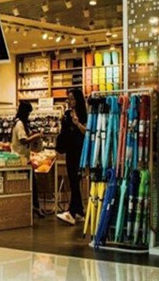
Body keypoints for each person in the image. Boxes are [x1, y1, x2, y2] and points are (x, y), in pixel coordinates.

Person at [56, 89, 88, 225]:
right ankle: (79, 211)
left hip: (79, 151)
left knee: (75, 180)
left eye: (72, 99)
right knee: (73, 180)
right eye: (68, 99)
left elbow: (87, 132)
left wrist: (77, 123)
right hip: (70, 150)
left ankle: (72, 212)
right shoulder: (68, 113)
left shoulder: (83, 114)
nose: (70, 102)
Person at [10, 101, 44, 217]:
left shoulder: (19, 123)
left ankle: (34, 206)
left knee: (31, 184)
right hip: (20, 159)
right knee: (32, 184)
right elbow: (23, 140)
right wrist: (36, 136)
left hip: (23, 158)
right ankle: (35, 207)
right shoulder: (20, 124)